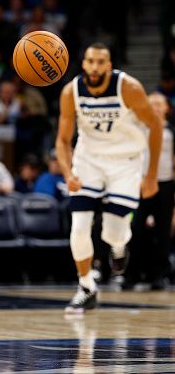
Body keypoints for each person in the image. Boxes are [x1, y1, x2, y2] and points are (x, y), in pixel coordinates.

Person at [55, 43, 162, 314]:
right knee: (79, 226)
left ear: (110, 64)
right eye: (90, 61)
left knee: (112, 232)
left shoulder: (129, 88)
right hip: (88, 160)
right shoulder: (71, 92)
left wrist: (151, 175)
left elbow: (156, 125)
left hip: (125, 162)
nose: (94, 67)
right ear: (84, 64)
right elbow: (64, 139)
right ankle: (86, 286)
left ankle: (118, 248)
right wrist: (68, 173)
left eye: (100, 62)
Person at [126, 92, 175, 290]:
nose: (155, 106)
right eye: (151, 103)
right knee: (135, 229)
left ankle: (159, 276)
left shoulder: (171, 131)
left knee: (162, 232)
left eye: (158, 104)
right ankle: (132, 275)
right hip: (141, 184)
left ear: (166, 108)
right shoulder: (138, 128)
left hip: (165, 184)